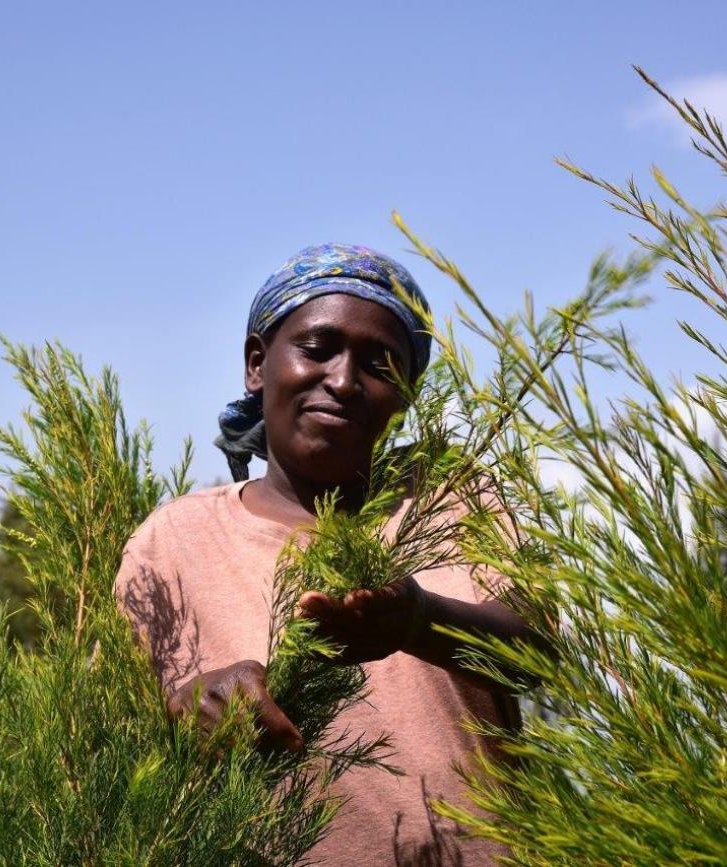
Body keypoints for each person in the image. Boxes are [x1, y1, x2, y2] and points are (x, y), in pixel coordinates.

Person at [113, 243, 538, 865]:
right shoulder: (172, 542)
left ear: (408, 393)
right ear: (258, 364)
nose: (342, 381)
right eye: (317, 349)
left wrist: (418, 621)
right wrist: (189, 704)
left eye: (380, 363)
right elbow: (101, 738)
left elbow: (535, 653)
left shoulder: (450, 495)